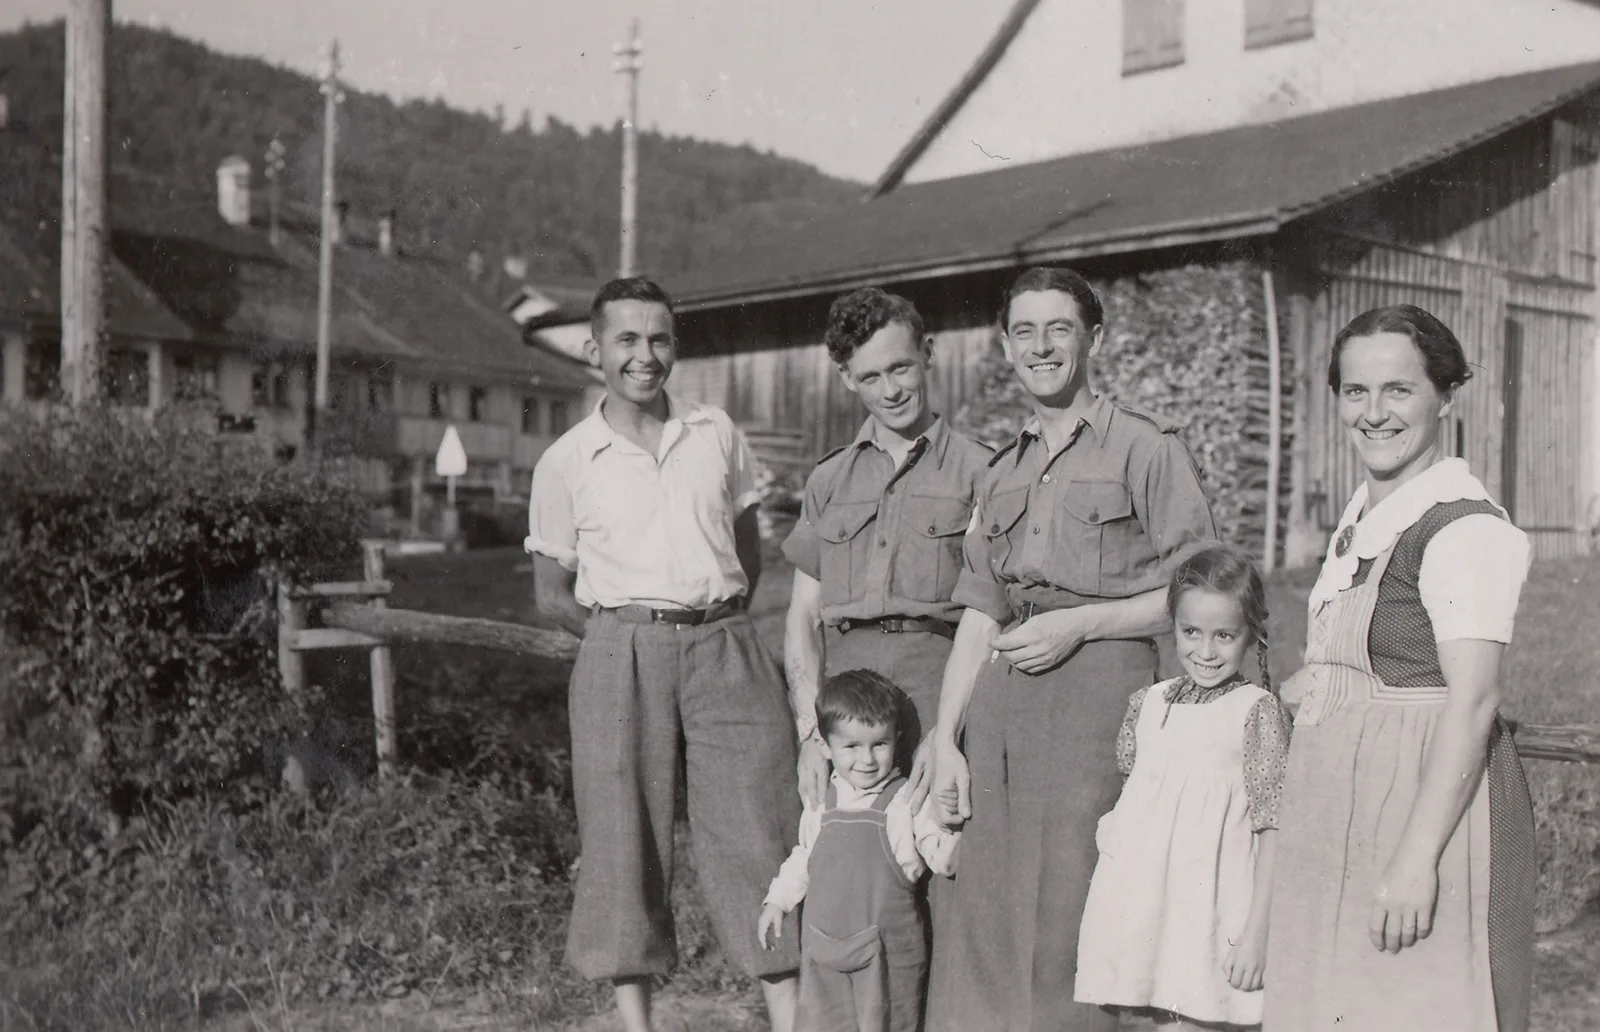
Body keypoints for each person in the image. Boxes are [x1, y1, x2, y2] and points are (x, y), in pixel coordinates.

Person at [922, 266, 1219, 1032]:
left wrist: (1082, 624)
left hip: (1101, 696)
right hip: (1004, 699)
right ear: (1006, 345)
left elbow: (1202, 596)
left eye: (1060, 328)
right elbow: (980, 612)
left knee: (1077, 896)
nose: (1042, 346)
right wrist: (947, 736)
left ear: (1094, 337)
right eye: (1025, 330)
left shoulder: (1148, 451)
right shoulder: (1002, 468)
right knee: (987, 897)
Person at [525, 276, 800, 1032]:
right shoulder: (567, 460)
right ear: (593, 351)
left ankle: (790, 1015)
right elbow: (551, 592)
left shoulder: (716, 432)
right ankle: (637, 1023)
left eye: (658, 340)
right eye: (626, 340)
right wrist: (623, 641)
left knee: (761, 824)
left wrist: (714, 620)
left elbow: (746, 546)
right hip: (622, 651)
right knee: (624, 836)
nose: (644, 357)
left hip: (723, 643)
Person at [1264, 304, 1536, 1032]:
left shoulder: (1464, 527)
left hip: (1420, 808)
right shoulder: (1366, 518)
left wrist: (1417, 862)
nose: (1374, 413)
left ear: (1445, 396)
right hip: (1339, 805)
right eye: (1356, 392)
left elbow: (1474, 702)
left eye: (1399, 390)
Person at [782, 287, 993, 805]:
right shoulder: (829, 479)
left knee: (940, 853)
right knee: (848, 863)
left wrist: (948, 732)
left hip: (941, 690)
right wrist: (813, 734)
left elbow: (989, 616)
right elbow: (803, 618)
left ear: (928, 353)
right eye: (871, 377)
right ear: (847, 378)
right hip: (847, 711)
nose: (890, 391)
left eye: (900, 368)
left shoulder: (983, 471)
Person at [1074, 546, 1292, 1030]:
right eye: (1190, 632)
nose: (1206, 651)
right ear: (1172, 625)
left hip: (1209, 916)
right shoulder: (1149, 704)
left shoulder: (1255, 712)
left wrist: (1257, 933)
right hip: (1146, 910)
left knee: (1194, 1018)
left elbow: (1273, 827)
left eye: (1224, 636)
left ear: (1251, 634)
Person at [758, 670, 958, 1032]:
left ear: (896, 739)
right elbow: (804, 857)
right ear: (824, 746)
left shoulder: (904, 802)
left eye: (879, 744)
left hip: (886, 958)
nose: (866, 759)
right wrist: (777, 902)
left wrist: (949, 839)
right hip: (823, 952)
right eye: (851, 747)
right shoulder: (821, 803)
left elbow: (938, 851)